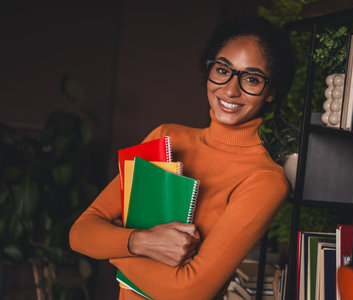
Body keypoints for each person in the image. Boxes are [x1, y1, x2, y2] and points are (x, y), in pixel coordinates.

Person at [69, 15, 295, 300]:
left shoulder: (264, 180)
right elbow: (80, 234)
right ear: (209, 69)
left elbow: (188, 292)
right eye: (223, 70)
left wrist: (115, 243)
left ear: (271, 92)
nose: (230, 89)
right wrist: (144, 242)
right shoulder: (167, 138)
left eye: (251, 79)